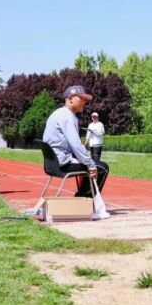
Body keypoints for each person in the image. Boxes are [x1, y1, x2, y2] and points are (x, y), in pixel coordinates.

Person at [43, 85, 110, 218]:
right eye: (82, 98)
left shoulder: (58, 113)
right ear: (70, 99)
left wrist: (87, 161)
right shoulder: (67, 117)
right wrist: (91, 165)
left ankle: (81, 201)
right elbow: (76, 144)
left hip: (53, 163)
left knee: (89, 163)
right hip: (63, 163)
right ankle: (84, 206)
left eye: (85, 99)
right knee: (101, 167)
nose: (84, 102)